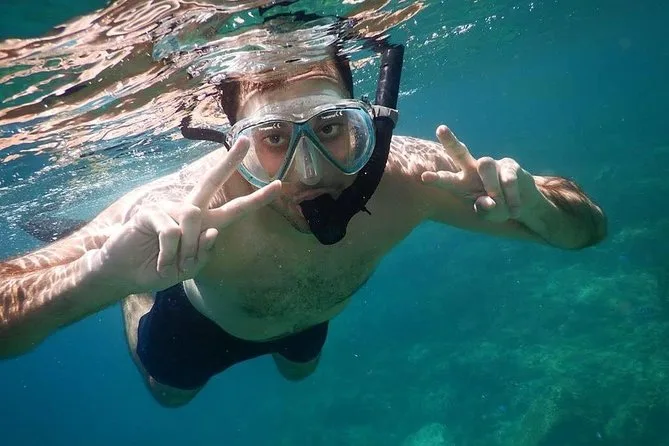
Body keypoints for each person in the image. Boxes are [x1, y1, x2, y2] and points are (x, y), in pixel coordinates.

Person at [0, 48, 606, 408]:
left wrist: (539, 210)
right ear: (230, 143)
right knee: (171, 397)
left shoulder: (416, 176)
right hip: (196, 328)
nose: (311, 172)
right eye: (272, 138)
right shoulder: (181, 203)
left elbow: (588, 230)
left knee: (299, 371)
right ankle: (137, 300)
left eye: (330, 128)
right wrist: (101, 276)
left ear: (366, 122)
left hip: (310, 319)